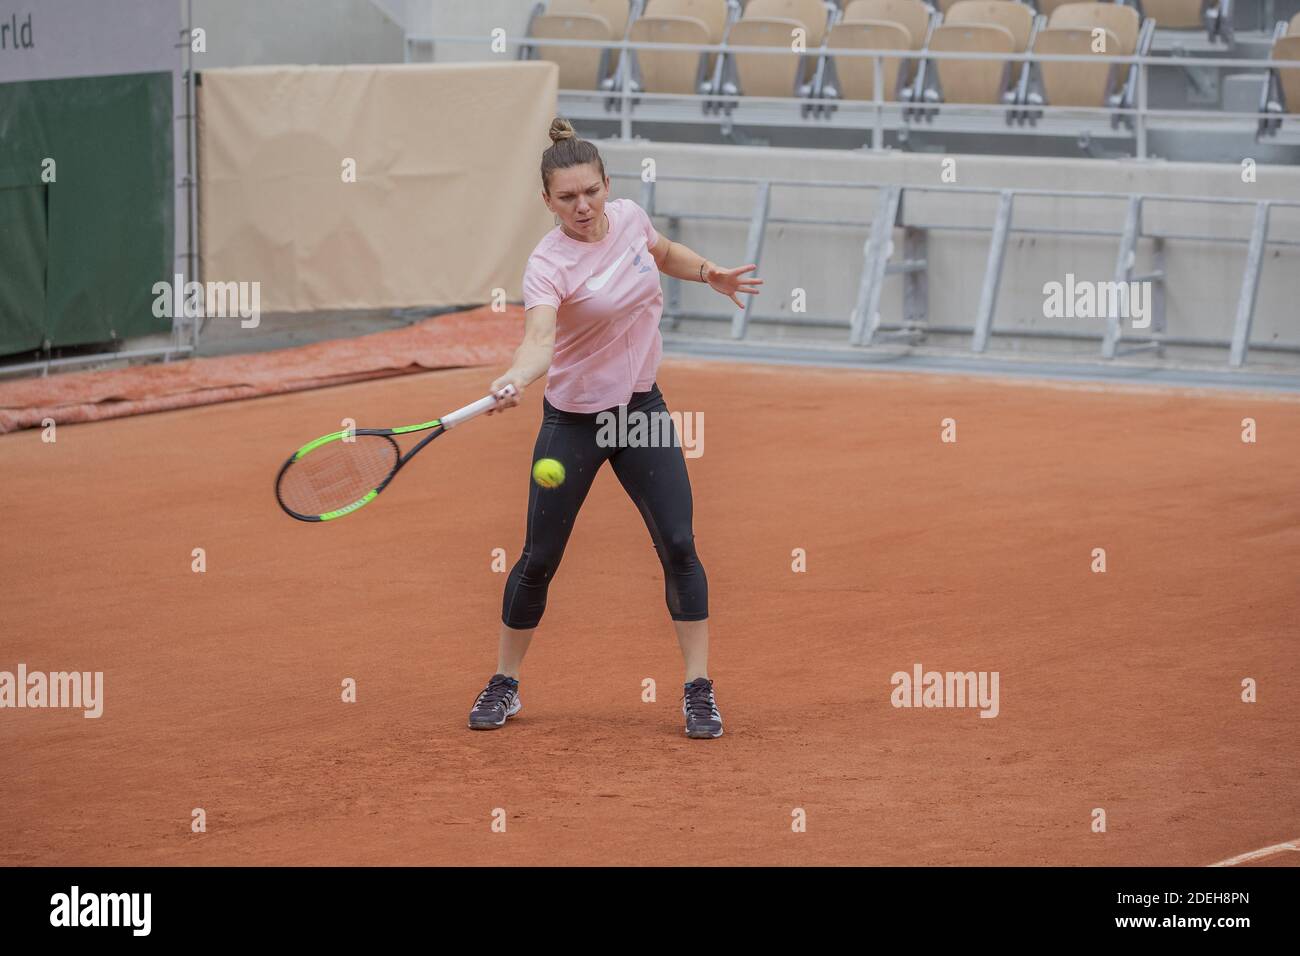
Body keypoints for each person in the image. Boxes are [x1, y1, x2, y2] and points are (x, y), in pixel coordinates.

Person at [468, 117, 761, 738]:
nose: (583, 206)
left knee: (679, 545)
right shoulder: (547, 264)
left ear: (607, 185)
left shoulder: (628, 217)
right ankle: (505, 682)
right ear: (545, 200)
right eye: (567, 197)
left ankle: (698, 689)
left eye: (591, 192)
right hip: (573, 422)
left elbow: (662, 251)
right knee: (539, 558)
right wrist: (516, 379)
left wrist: (710, 273)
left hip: (642, 414)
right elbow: (539, 338)